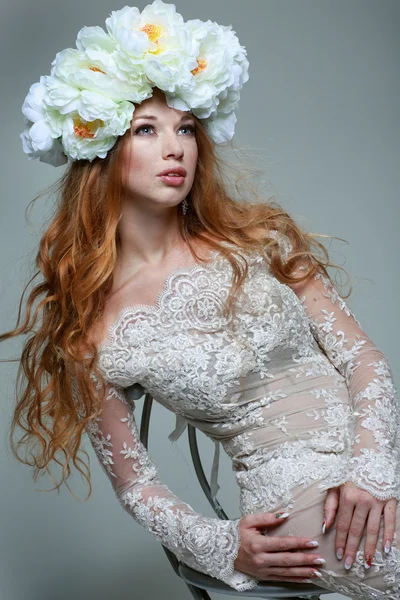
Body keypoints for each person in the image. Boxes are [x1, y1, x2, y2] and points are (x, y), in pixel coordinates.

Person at [2, 2, 399, 598]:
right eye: (147, 129)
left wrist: (374, 472)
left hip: (379, 465)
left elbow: (363, 358)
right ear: (101, 149)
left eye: (185, 128)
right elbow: (137, 486)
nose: (176, 149)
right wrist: (220, 545)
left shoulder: (258, 241)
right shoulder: (95, 329)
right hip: (309, 508)